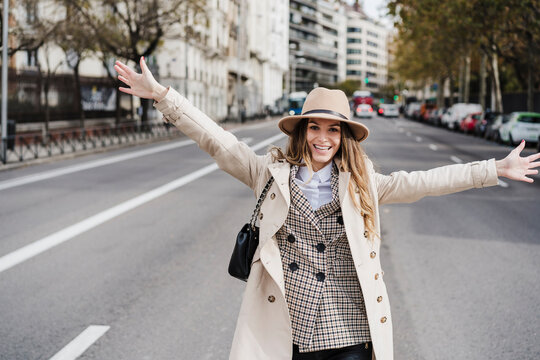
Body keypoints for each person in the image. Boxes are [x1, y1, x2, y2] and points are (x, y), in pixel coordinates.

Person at [114, 58, 539, 360]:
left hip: (349, 328)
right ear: (301, 131)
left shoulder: (362, 183)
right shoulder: (269, 173)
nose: (323, 137)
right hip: (288, 325)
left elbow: (425, 182)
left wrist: (494, 168)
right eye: (314, 127)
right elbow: (217, 140)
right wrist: (164, 97)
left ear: (343, 136)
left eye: (332, 129)